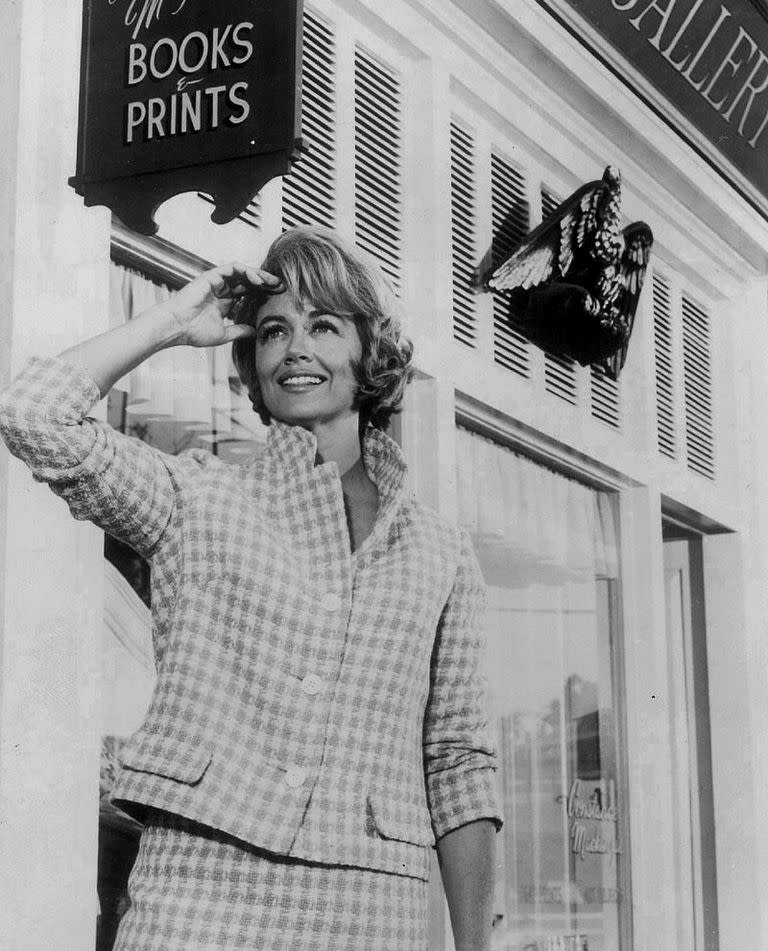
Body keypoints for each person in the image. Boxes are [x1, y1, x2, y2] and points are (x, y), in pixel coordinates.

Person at [0, 226, 501, 951]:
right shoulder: (195, 496)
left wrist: (476, 946)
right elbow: (32, 413)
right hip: (196, 900)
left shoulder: (442, 552)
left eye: (323, 326)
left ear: (369, 352)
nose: (296, 347)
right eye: (273, 331)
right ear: (251, 360)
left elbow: (458, 764)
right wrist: (174, 320)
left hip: (369, 910)